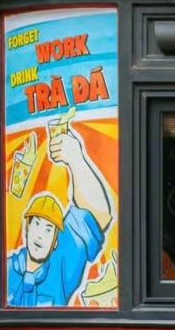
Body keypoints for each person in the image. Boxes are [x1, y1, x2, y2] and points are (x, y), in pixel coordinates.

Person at [7, 123, 113, 307]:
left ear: (55, 241)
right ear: (26, 229)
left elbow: (99, 215)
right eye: (36, 224)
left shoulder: (60, 265)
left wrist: (76, 159)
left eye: (49, 229)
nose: (40, 235)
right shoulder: (6, 269)